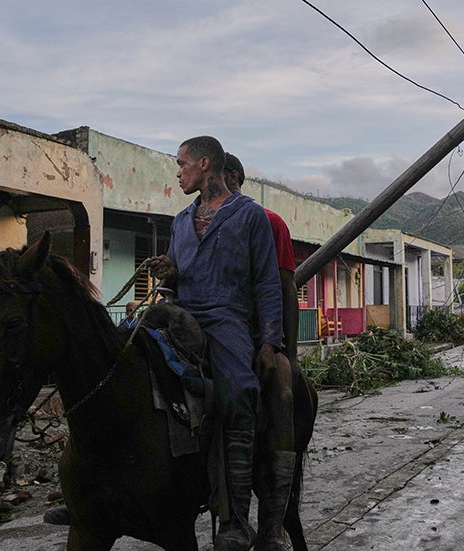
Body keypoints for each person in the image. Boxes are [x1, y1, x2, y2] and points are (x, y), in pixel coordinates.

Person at [151, 136, 283, 550]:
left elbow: (266, 282)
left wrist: (270, 342)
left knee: (240, 391)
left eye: (182, 164)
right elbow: (177, 274)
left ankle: (236, 519)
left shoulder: (250, 217)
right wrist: (167, 269)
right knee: (117, 352)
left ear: (204, 164)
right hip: (180, 313)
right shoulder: (179, 221)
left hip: (226, 318)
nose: (178, 172)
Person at [223, 152, 297, 549]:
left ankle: (271, 521)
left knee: (282, 392)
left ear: (230, 176)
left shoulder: (269, 223)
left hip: (256, 335)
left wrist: (286, 350)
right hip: (211, 330)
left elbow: (284, 287)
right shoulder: (192, 219)